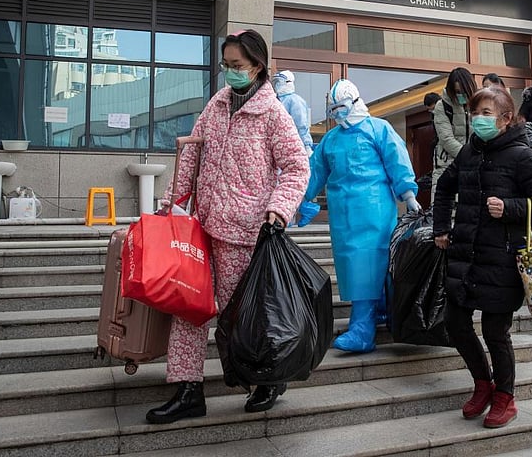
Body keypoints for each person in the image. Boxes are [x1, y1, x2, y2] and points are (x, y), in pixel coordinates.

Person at [146, 29, 310, 425]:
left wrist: (279, 209)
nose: (230, 73)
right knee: (188, 308)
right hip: (202, 226)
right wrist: (172, 202)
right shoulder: (217, 104)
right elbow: (192, 156)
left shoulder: (273, 113)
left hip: (245, 232)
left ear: (258, 66)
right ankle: (188, 390)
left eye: (237, 66)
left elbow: (296, 165)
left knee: (242, 315)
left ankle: (266, 380)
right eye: (226, 66)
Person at [433, 87, 532, 429]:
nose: (478, 119)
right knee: (456, 324)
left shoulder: (521, 155)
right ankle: (482, 384)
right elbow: (443, 187)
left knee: (494, 331)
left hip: (501, 258)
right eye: (475, 113)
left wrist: (510, 208)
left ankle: (505, 396)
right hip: (465, 254)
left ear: (505, 118)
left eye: (486, 113)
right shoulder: (470, 152)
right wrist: (441, 228)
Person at [305, 79, 419, 353]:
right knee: (352, 264)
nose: (338, 115)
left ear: (355, 102)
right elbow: (315, 172)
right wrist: (299, 198)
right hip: (343, 215)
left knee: (368, 263)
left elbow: (397, 160)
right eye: (334, 110)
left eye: (342, 108)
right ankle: (379, 311)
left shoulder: (378, 129)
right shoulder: (331, 140)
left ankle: (362, 328)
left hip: (374, 210)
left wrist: (408, 194)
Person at [272, 70, 320, 227]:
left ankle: (302, 210)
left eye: (279, 82)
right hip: (278, 147)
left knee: (289, 181)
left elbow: (301, 126)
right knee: (281, 182)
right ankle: (295, 214)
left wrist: (305, 145)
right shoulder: (276, 101)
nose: (276, 85)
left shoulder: (295, 101)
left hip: (294, 147)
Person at [431, 68, 476, 197]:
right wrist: (468, 157)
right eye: (457, 92)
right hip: (447, 164)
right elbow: (446, 139)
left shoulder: (478, 104)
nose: (461, 95)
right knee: (446, 208)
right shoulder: (442, 106)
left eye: (464, 91)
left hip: (473, 163)